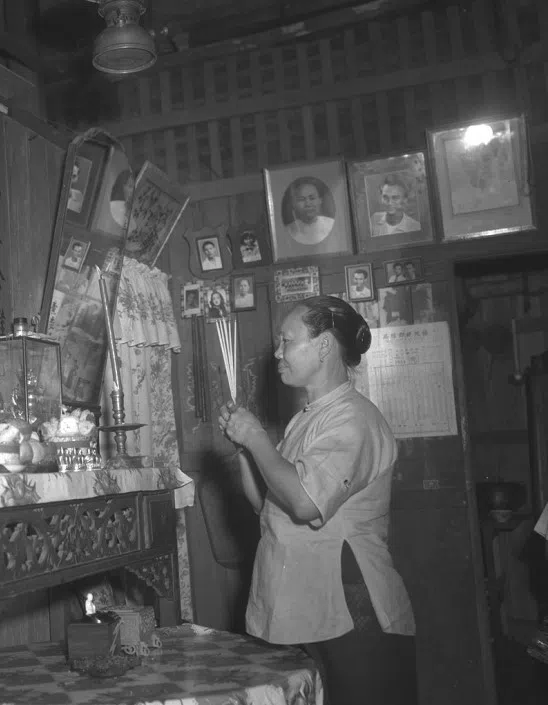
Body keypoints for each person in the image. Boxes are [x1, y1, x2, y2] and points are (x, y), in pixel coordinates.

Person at [218, 295, 417, 705]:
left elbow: (306, 503)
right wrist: (245, 449)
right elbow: (270, 506)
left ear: (324, 346)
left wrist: (257, 438)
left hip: (349, 607)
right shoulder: (308, 417)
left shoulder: (354, 418)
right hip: (305, 604)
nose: (277, 352)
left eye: (286, 341)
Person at [285, 178, 334, 246]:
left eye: (312, 198)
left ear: (320, 200)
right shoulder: (289, 230)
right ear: (294, 204)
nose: (308, 204)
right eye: (302, 199)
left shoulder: (330, 224)